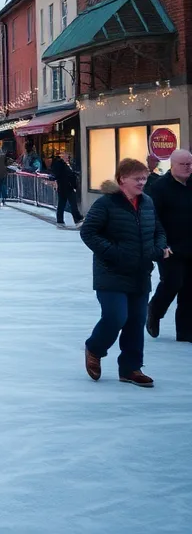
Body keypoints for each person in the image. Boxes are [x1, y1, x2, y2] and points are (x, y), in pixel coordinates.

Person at [80, 158, 168, 387]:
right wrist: (114, 252)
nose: (142, 182)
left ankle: (131, 368)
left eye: (144, 178)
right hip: (111, 272)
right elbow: (89, 232)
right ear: (122, 180)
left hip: (140, 273)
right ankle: (95, 347)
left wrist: (157, 249)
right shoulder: (106, 203)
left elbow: (158, 230)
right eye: (137, 179)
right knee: (116, 316)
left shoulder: (147, 202)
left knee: (136, 321)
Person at [145, 148, 192, 342]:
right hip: (169, 246)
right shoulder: (159, 187)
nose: (188, 167)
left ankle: (185, 331)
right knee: (173, 282)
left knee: (190, 289)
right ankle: (155, 311)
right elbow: (153, 218)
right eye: (184, 164)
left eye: (190, 164)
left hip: (190, 245)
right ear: (172, 165)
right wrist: (161, 244)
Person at [47, 152, 83, 227]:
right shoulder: (62, 165)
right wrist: (74, 185)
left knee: (62, 204)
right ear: (62, 156)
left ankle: (60, 220)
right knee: (72, 203)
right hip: (67, 187)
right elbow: (69, 176)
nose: (68, 158)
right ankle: (77, 219)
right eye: (66, 156)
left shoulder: (59, 165)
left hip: (62, 187)